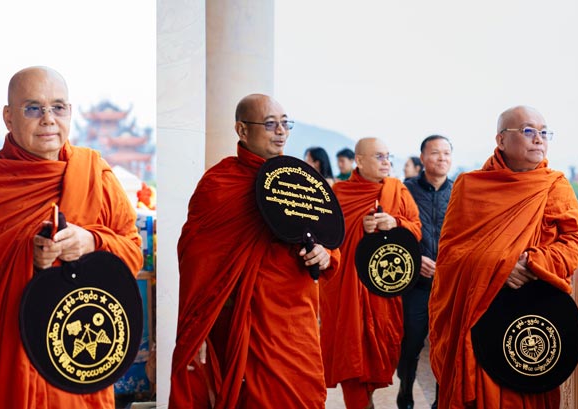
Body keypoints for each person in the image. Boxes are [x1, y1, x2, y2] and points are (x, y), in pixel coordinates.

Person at [0, 66, 142, 408]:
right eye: (33, 108)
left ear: (70, 113)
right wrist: (29, 259)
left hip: (76, 358)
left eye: (58, 107)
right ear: (8, 117)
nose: (48, 119)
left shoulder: (94, 174)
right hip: (9, 352)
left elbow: (132, 254)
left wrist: (92, 242)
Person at [170, 94, 339, 408]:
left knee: (303, 395)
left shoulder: (298, 181)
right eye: (270, 124)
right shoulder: (220, 183)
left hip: (295, 320)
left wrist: (326, 256)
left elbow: (327, 239)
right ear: (242, 130)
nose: (281, 132)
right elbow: (196, 257)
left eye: (285, 123)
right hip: (244, 319)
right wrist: (201, 326)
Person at [428, 106, 578, 408]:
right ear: (501, 140)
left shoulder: (555, 186)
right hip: (480, 318)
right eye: (528, 131)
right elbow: (450, 255)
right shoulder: (471, 187)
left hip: (532, 317)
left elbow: (574, 243)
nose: (538, 139)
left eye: (544, 132)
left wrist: (531, 263)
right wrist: (499, 267)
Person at [321, 137, 421, 409]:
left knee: (380, 349)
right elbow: (328, 239)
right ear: (360, 160)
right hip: (347, 289)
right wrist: (359, 230)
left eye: (388, 156)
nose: (386, 161)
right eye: (378, 156)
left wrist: (395, 223)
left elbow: (416, 229)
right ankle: (360, 403)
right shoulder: (340, 193)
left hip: (382, 286)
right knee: (349, 350)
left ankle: (368, 398)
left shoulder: (397, 190)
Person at [397, 135, 453, 409]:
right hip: (415, 282)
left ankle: (441, 401)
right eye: (435, 153)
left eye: (446, 153)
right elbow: (394, 234)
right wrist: (414, 259)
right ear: (422, 158)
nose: (442, 158)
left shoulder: (460, 193)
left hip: (448, 284)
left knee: (447, 345)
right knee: (411, 341)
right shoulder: (404, 191)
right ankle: (405, 392)